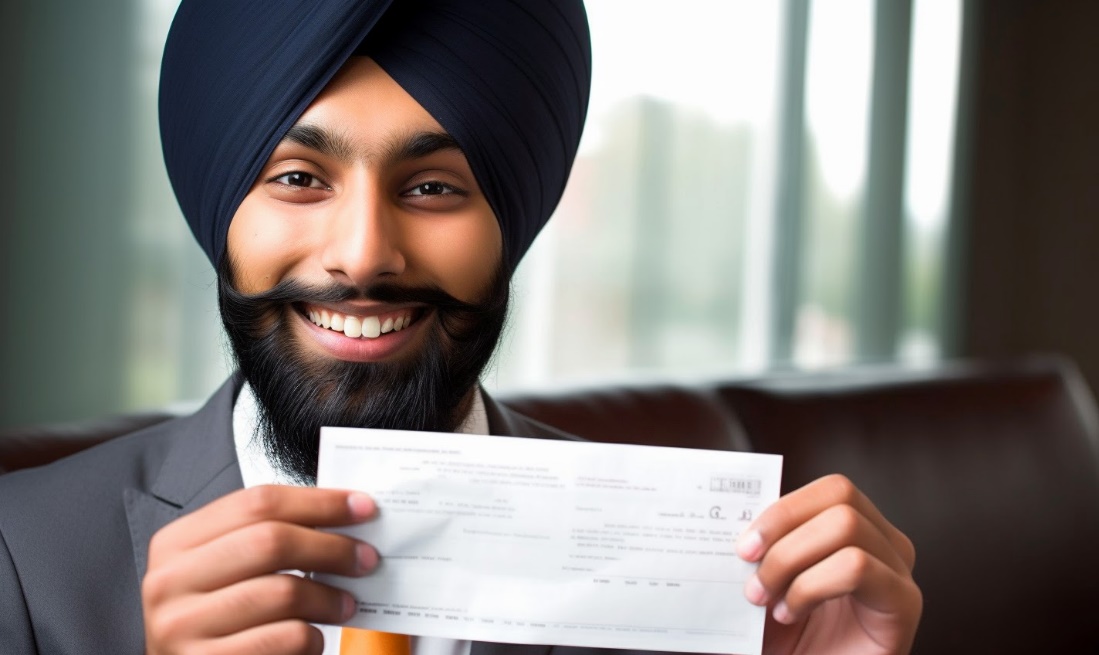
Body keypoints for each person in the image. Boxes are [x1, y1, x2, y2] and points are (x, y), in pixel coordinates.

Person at [0, 1, 921, 653]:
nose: (362, 256)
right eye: (296, 177)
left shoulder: (707, 587)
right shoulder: (26, 558)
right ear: (219, 213)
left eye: (434, 187)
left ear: (510, 222)